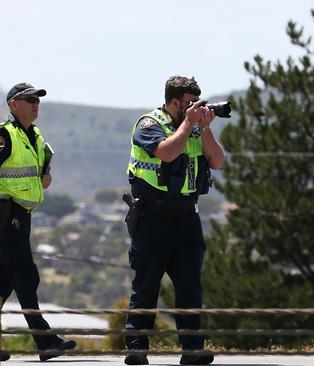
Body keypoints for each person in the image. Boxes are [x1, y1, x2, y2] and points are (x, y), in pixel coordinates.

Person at [0, 82, 76, 361]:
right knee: (27, 276)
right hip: (5, 215)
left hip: (21, 215)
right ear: (13, 105)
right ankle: (45, 341)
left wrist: (44, 179)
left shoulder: (35, 135)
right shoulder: (2, 135)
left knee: (0, 283)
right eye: (29, 100)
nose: (35, 104)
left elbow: (38, 174)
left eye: (37, 99)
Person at [124, 76, 224, 365]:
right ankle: (137, 348)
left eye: (197, 102)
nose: (194, 108)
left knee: (190, 287)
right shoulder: (149, 124)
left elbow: (217, 161)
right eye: (189, 103)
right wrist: (189, 124)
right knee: (146, 287)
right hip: (153, 219)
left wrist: (203, 127)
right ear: (174, 101)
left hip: (186, 219)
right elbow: (166, 153)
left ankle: (192, 349)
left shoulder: (193, 127)